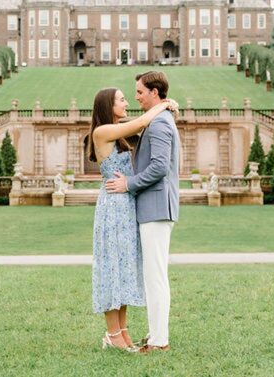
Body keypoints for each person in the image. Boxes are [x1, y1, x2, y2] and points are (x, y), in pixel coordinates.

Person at [87, 87, 177, 351]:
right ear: (108, 105)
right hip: (113, 206)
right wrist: (165, 103)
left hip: (127, 204)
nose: (128, 102)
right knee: (111, 268)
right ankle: (113, 334)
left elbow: (147, 130)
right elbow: (141, 122)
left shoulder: (119, 129)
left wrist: (165, 110)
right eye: (122, 99)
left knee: (124, 268)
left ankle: (122, 332)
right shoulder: (102, 131)